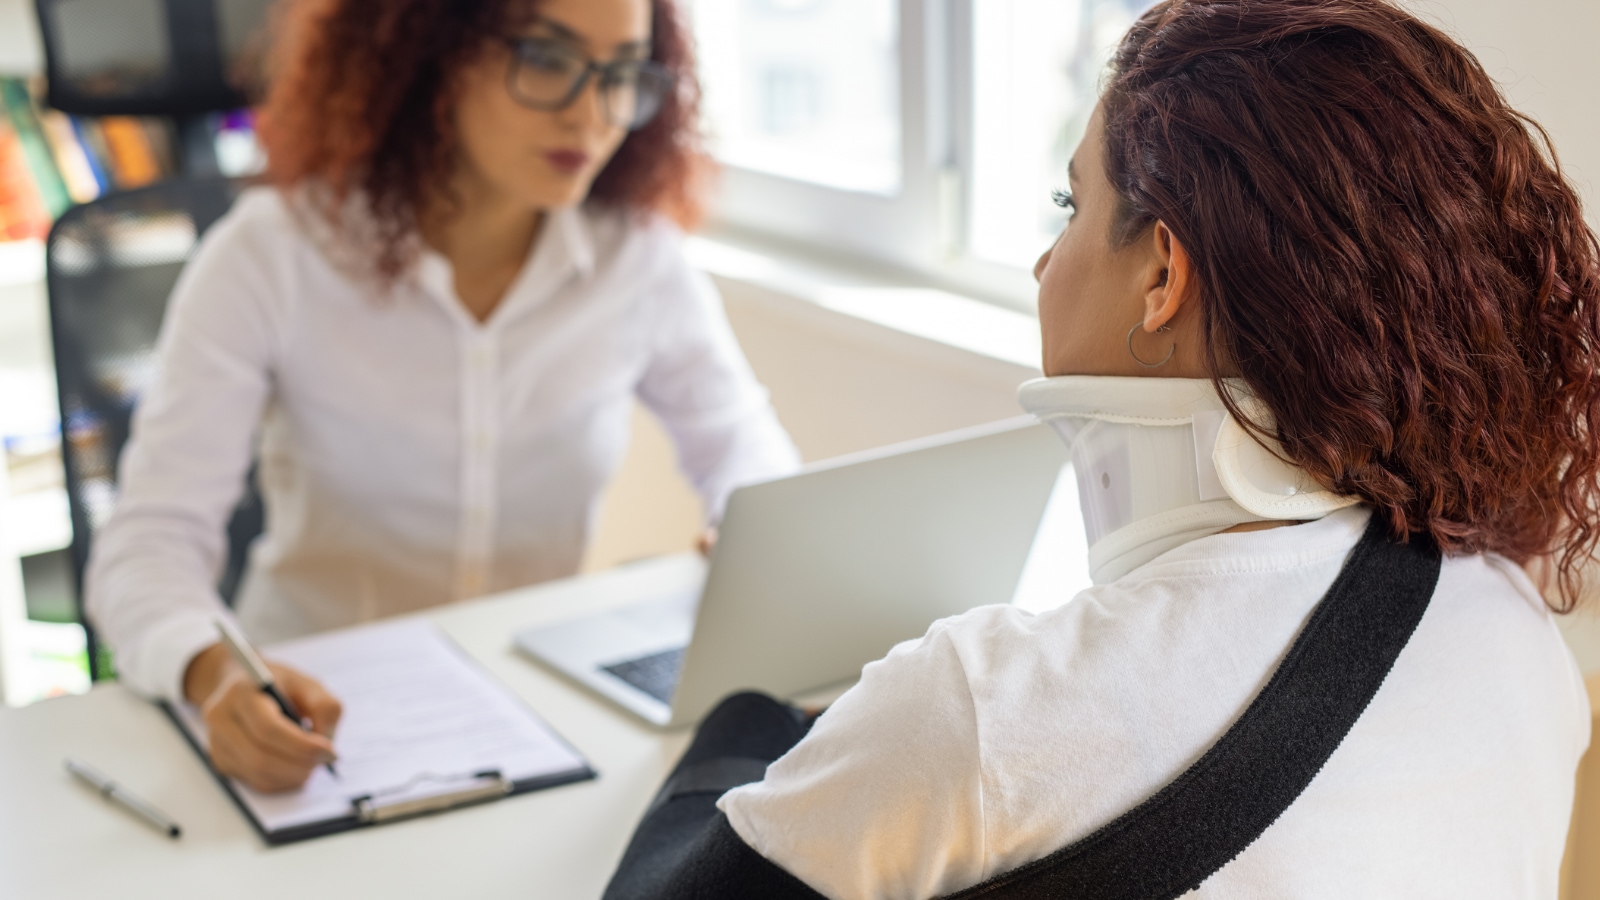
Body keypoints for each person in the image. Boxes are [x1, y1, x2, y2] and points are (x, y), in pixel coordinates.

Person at [602, 0, 1599, 896]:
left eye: (1069, 208)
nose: (1045, 260)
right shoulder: (1510, 620)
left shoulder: (980, 716)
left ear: (1161, 275)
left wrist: (745, 720)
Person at [85, 0, 799, 793]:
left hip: (542, 720)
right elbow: (147, 543)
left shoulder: (637, 260)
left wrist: (749, 535)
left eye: (621, 73)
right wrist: (214, 670)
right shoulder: (272, 255)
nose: (593, 114)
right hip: (321, 717)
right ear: (431, 50)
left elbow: (750, 461)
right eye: (548, 59)